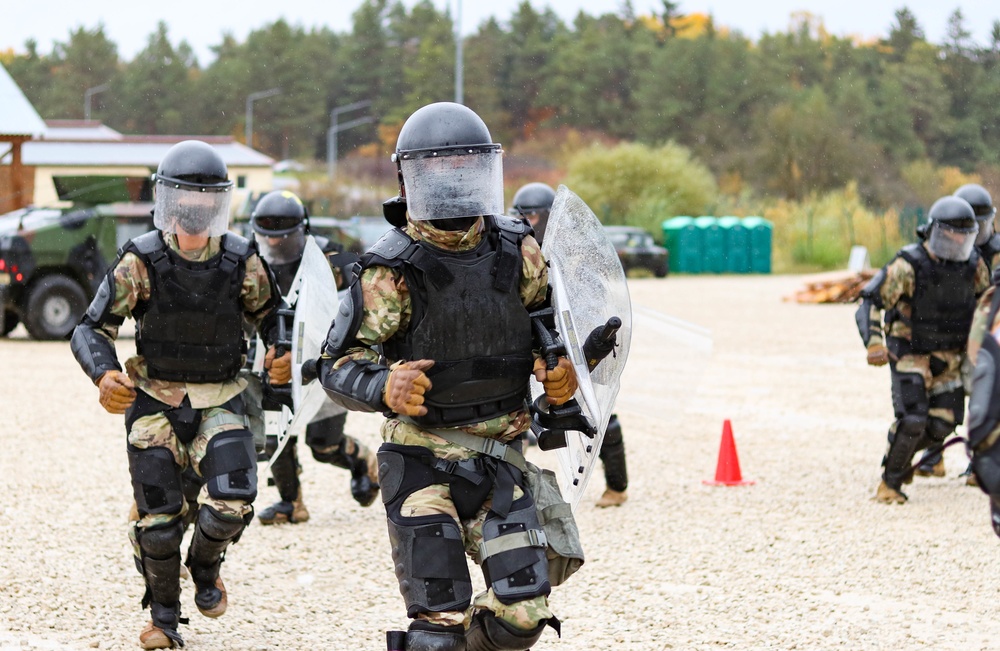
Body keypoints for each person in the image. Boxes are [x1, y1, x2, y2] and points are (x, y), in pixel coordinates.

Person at [309, 102, 576, 651]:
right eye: (438, 169)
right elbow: (333, 366)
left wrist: (561, 379)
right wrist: (384, 387)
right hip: (419, 462)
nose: (453, 181)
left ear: (485, 171)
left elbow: (546, 328)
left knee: (524, 616)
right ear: (409, 179)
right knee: (437, 630)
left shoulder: (517, 249)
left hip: (500, 459)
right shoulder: (391, 271)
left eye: (465, 167)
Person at [70, 140, 290, 649]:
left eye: (205, 202)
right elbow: (89, 328)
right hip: (155, 399)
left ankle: (206, 568)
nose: (194, 214)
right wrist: (104, 376)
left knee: (232, 501)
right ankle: (164, 619)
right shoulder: (141, 261)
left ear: (219, 205)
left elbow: (272, 313)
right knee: (159, 522)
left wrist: (278, 346)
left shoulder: (240, 259)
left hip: (221, 396)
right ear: (166, 202)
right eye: (184, 201)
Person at [248, 190, 380, 523]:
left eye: (285, 238)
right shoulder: (250, 261)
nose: (276, 247)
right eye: (269, 238)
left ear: (302, 231)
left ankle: (362, 460)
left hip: (321, 360)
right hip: (275, 358)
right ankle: (291, 502)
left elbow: (366, 304)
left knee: (323, 445)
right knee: (278, 430)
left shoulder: (332, 259)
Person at [856, 195, 990, 504]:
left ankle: (901, 459)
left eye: (964, 235)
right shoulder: (908, 264)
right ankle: (889, 484)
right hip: (909, 352)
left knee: (944, 421)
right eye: (952, 233)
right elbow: (870, 302)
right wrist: (874, 342)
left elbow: (987, 303)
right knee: (913, 418)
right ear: (937, 232)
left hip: (950, 357)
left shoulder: (974, 266)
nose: (958, 240)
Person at [510, 181, 629, 507]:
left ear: (548, 216)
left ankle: (617, 487)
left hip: (573, 346)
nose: (525, 221)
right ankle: (510, 491)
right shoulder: (517, 255)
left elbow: (590, 308)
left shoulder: (573, 262)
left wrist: (579, 351)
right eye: (520, 215)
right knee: (513, 417)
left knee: (598, 415)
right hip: (531, 348)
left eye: (531, 215)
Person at [914, 184, 999, 480]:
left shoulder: (996, 254)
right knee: (940, 397)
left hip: (983, 336)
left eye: (981, 225)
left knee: (983, 398)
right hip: (950, 334)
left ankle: (981, 463)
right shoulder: (942, 253)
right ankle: (933, 456)